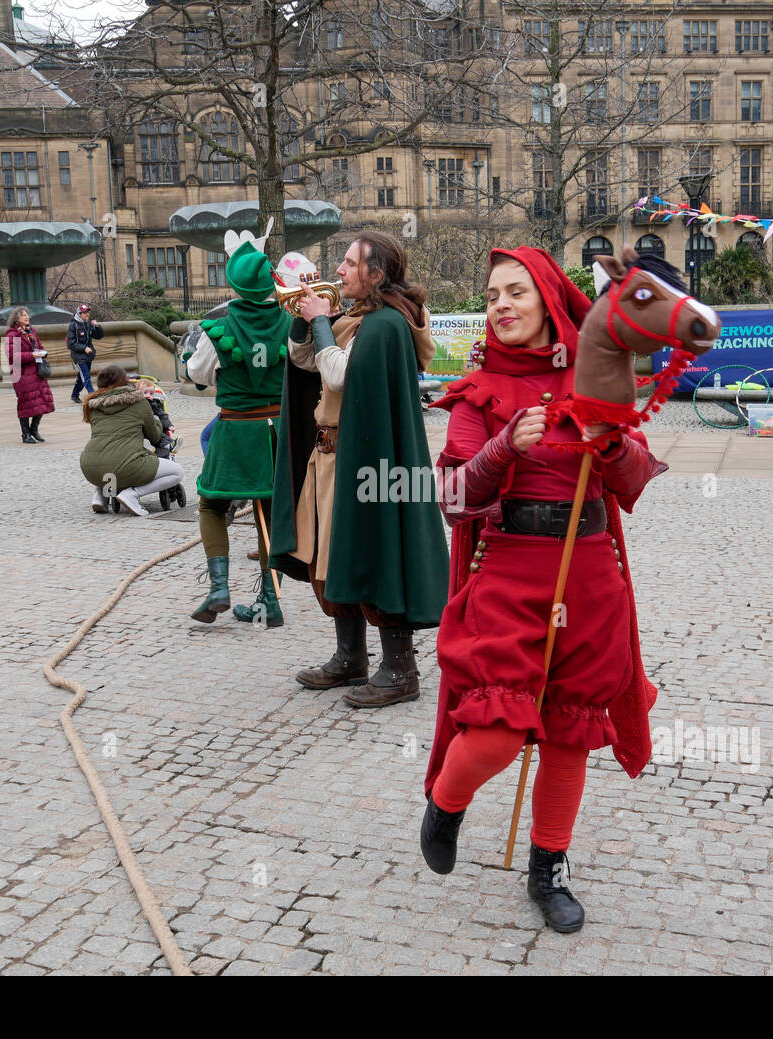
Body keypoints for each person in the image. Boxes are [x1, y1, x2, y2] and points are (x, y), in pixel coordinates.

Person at [420, 246, 667, 933]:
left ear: (550, 300)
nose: (500, 305)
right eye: (493, 294)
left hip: (588, 574)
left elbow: (636, 480)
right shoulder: (477, 393)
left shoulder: (595, 382)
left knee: (568, 729)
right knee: (496, 733)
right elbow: (452, 497)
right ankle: (446, 802)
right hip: (508, 571)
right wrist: (503, 448)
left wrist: (612, 445)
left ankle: (548, 865)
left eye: (516, 293)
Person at [270, 232, 448, 706]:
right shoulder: (356, 318)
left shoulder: (388, 324)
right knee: (328, 555)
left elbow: (341, 375)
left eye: (350, 264)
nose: (341, 270)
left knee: (374, 551)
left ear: (377, 273)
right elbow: (308, 361)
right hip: (331, 457)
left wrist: (322, 322)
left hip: (365, 464)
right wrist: (305, 321)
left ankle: (400, 669)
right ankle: (350, 656)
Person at [185, 226, 291, 628]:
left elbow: (198, 373)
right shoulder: (289, 322)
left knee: (212, 503)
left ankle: (219, 588)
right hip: (276, 430)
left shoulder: (220, 328)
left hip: (235, 428)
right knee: (268, 509)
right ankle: (271, 601)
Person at [79, 364, 184, 517]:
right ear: (124, 381)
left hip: (90, 466)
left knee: (107, 461)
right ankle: (132, 494)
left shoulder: (93, 405)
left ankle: (101, 496)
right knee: (176, 472)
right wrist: (157, 422)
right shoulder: (138, 401)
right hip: (125, 465)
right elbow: (154, 436)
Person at [5, 306, 54, 443]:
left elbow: (39, 346)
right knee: (26, 404)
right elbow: (12, 356)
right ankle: (25, 434)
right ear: (16, 319)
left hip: (37, 372)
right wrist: (31, 355)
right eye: (23, 315)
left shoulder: (32, 331)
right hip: (23, 374)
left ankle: (34, 429)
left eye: (27, 314)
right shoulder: (12, 335)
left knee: (42, 401)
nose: (27, 317)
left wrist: (43, 352)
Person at [67, 304, 104, 404]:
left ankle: (74, 395)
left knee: (81, 377)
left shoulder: (88, 324)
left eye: (88, 312)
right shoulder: (73, 325)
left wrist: (97, 326)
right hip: (78, 355)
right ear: (79, 314)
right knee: (86, 375)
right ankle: (92, 395)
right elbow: (71, 344)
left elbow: (99, 336)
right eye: (84, 312)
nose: (87, 314)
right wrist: (84, 348)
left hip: (88, 355)